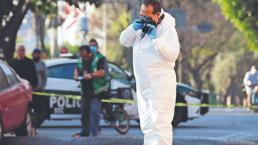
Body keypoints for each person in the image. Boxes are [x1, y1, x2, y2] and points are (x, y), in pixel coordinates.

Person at [119, 0, 180, 144]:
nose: (144, 18)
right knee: (147, 124)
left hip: (160, 85)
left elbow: (173, 54)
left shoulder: (168, 28)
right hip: (144, 85)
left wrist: (156, 39)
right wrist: (133, 28)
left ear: (157, 15)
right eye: (141, 15)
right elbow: (124, 41)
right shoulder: (142, 27)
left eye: (147, 15)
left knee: (160, 124)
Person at [73, 45, 109, 137]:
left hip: (97, 90)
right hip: (85, 90)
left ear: (89, 53)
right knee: (84, 112)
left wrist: (91, 75)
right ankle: (85, 131)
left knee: (94, 112)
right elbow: (77, 68)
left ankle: (94, 133)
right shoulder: (81, 59)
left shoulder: (99, 59)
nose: (83, 58)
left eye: (85, 56)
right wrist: (76, 75)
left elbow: (102, 72)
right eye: (81, 56)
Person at [89, 39, 116, 127]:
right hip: (94, 87)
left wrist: (91, 75)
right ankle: (96, 127)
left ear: (97, 46)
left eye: (93, 45)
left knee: (106, 104)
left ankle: (113, 120)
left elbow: (103, 72)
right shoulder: (89, 58)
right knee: (94, 109)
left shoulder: (101, 58)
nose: (92, 47)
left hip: (103, 85)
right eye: (90, 45)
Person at [32, 48, 48, 127]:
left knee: (39, 108)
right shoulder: (30, 63)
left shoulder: (42, 64)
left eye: (38, 54)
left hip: (39, 89)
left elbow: (44, 77)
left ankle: (38, 122)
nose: (37, 55)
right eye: (35, 54)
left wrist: (43, 87)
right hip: (31, 89)